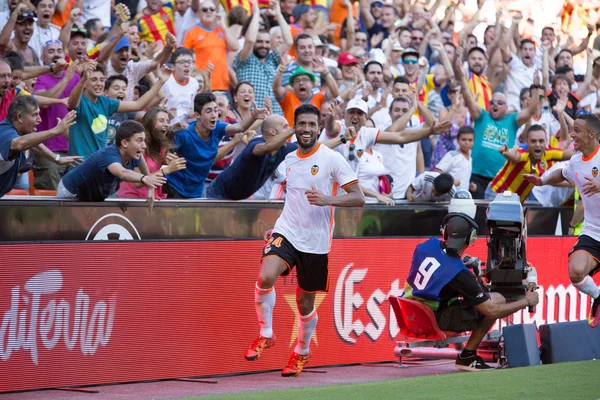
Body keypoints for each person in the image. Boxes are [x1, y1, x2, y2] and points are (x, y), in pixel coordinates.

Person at [244, 104, 365, 377]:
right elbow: (292, 198)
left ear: (319, 129)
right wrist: (276, 228)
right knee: (265, 277)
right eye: (302, 124)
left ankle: (301, 351)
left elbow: (359, 197)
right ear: (294, 128)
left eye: (312, 125)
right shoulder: (288, 159)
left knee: (305, 305)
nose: (307, 129)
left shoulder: (332, 159)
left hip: (316, 242)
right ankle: (266, 333)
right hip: (287, 231)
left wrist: (328, 200)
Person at [402, 211, 539, 371]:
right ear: (471, 238)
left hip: (414, 312)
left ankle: (466, 354)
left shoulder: (425, 246)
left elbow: (440, 267)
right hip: (434, 319)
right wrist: (526, 301)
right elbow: (492, 311)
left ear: (445, 231)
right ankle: (467, 356)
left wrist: (460, 264)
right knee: (497, 301)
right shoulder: (459, 274)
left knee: (486, 299)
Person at [523, 114, 600, 328]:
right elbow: (563, 174)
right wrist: (542, 180)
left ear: (591, 134)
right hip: (593, 231)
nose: (571, 135)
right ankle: (599, 297)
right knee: (575, 271)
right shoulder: (576, 160)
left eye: (577, 130)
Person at [164, 92, 268, 198]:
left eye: (215, 110)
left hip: (196, 191)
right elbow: (164, 151)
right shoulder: (184, 133)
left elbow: (240, 127)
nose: (214, 115)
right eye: (209, 111)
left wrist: (254, 116)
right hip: (174, 187)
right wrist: (166, 155)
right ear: (197, 115)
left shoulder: (217, 128)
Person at [57, 120, 167, 201]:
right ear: (124, 143)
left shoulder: (135, 155)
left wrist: (150, 187)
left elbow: (147, 174)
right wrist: (145, 178)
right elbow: (122, 173)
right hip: (70, 192)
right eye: (139, 141)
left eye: (144, 141)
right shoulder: (108, 154)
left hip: (94, 196)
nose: (143, 146)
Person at [0, 96, 81, 197]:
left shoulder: (20, 134)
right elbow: (18, 144)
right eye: (35, 115)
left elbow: (32, 144)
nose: (40, 120)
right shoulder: (4, 132)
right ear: (19, 117)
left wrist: (57, 158)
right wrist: (55, 131)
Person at [487, 125, 573, 203]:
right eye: (533, 141)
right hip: (497, 194)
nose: (537, 145)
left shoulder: (549, 153)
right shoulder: (522, 153)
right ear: (527, 142)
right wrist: (506, 152)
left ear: (546, 142)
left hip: (517, 201)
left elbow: (572, 154)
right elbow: (515, 156)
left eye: (541, 141)